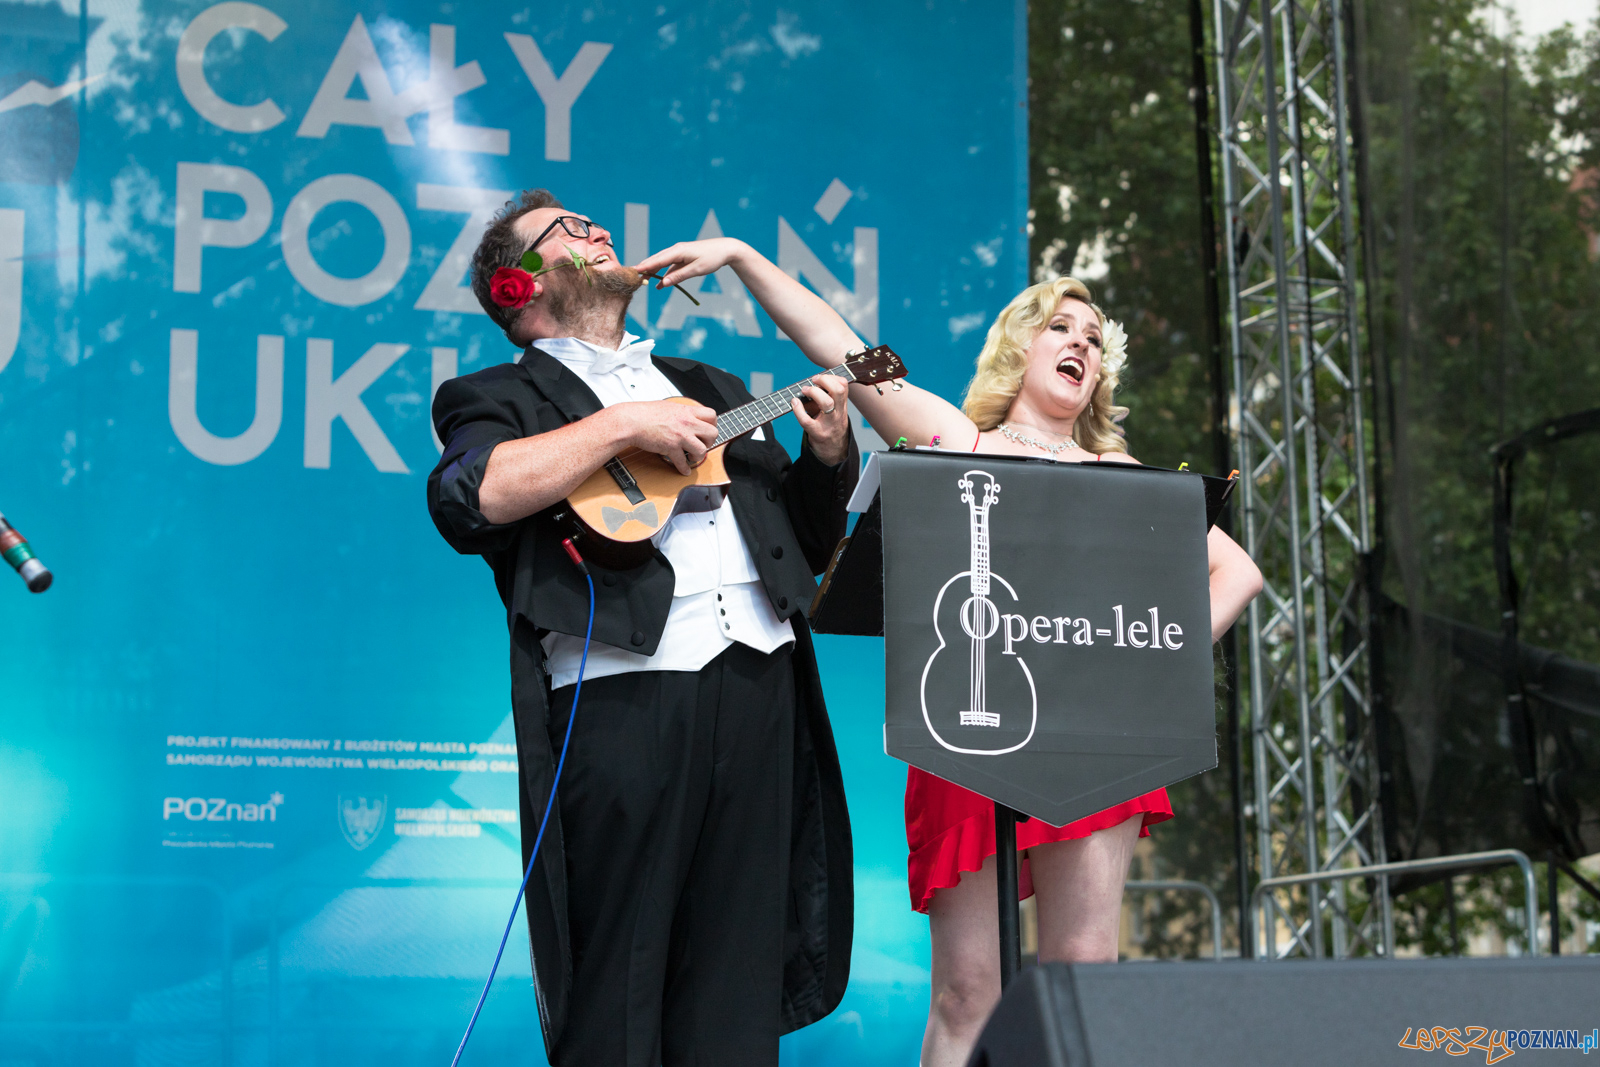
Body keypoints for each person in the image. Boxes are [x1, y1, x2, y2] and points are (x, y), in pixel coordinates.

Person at [638, 244, 1264, 1067]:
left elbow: (1237, 573)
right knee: (969, 990)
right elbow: (844, 351)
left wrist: (1146, 665)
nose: (1080, 344)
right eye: (1060, 328)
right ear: (1020, 347)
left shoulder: (1118, 471)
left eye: (1093, 338)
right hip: (974, 721)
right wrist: (745, 258)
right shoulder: (959, 440)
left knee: (1084, 971)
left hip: (1097, 736)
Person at [426, 190, 858, 1067]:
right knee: (618, 977)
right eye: (567, 231)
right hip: (623, 695)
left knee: (736, 981)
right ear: (517, 288)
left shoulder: (711, 385)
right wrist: (624, 423)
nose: (596, 231)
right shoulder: (496, 394)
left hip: (762, 684)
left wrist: (827, 454)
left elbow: (805, 541)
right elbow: (472, 495)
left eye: (594, 222)